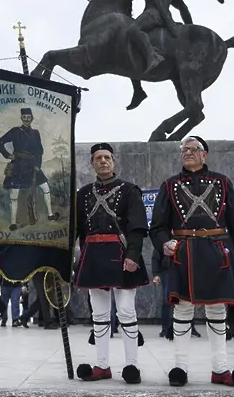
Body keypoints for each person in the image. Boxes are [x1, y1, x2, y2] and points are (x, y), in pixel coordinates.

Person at [149, 136, 234, 388]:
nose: (188, 153)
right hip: (183, 251)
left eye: (193, 149)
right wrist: (164, 243)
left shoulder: (223, 182)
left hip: (218, 250)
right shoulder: (169, 184)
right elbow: (158, 226)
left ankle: (220, 369)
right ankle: (180, 368)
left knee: (217, 309)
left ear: (204, 155)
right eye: (184, 150)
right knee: (183, 308)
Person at [73, 143, 149, 385]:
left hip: (121, 253)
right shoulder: (83, 193)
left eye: (107, 157)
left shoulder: (129, 191)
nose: (103, 161)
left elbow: (137, 227)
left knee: (126, 310)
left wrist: (133, 256)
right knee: (99, 313)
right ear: (92, 163)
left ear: (113, 162)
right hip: (93, 256)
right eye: (98, 158)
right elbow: (75, 229)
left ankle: (132, 366)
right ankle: (102, 365)